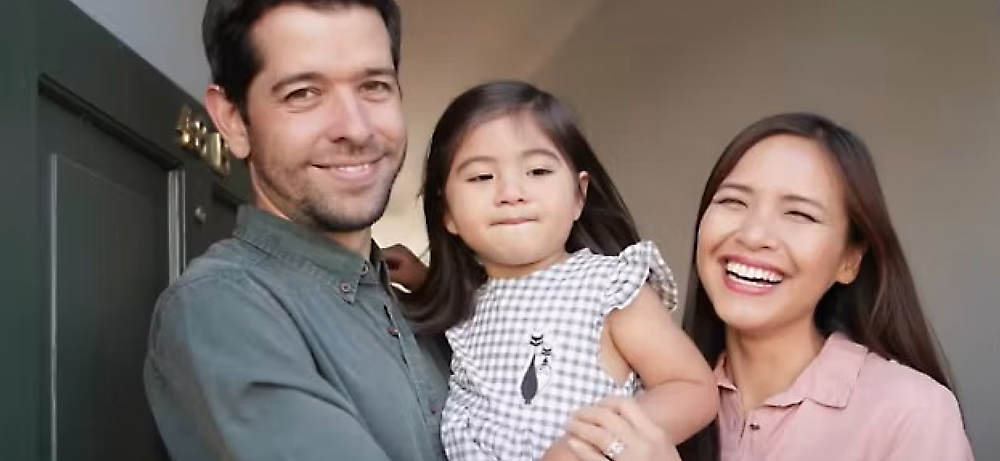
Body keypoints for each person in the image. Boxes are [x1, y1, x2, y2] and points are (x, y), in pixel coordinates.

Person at [562, 112, 975, 461]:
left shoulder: (910, 412)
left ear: (850, 260)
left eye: (799, 214)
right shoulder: (645, 400)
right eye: (734, 202)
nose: (754, 233)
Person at [142, 1, 451, 460]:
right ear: (232, 120)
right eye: (303, 93)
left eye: (374, 86)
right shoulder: (220, 309)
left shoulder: (413, 311)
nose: (356, 128)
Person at [394, 80, 718, 461]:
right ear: (447, 211)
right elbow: (485, 302)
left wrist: (592, 444)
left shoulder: (607, 288)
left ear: (579, 195)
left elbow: (692, 387)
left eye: (538, 171)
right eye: (482, 177)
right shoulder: (468, 301)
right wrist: (419, 276)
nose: (511, 192)